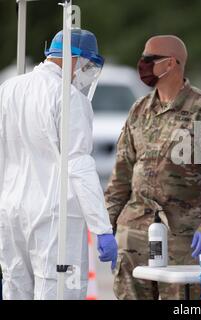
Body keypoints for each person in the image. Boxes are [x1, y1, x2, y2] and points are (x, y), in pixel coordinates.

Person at [105, 35, 201, 300]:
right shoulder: (139, 110)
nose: (143, 64)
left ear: (172, 63)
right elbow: (121, 173)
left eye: (150, 59)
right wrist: (107, 225)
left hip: (184, 234)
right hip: (135, 231)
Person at [0, 29, 117, 300]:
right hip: (55, 218)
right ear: (75, 58)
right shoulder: (69, 97)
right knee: (60, 291)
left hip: (11, 213)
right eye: (88, 65)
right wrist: (102, 228)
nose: (87, 73)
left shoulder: (8, 89)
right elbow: (79, 165)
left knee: (15, 289)